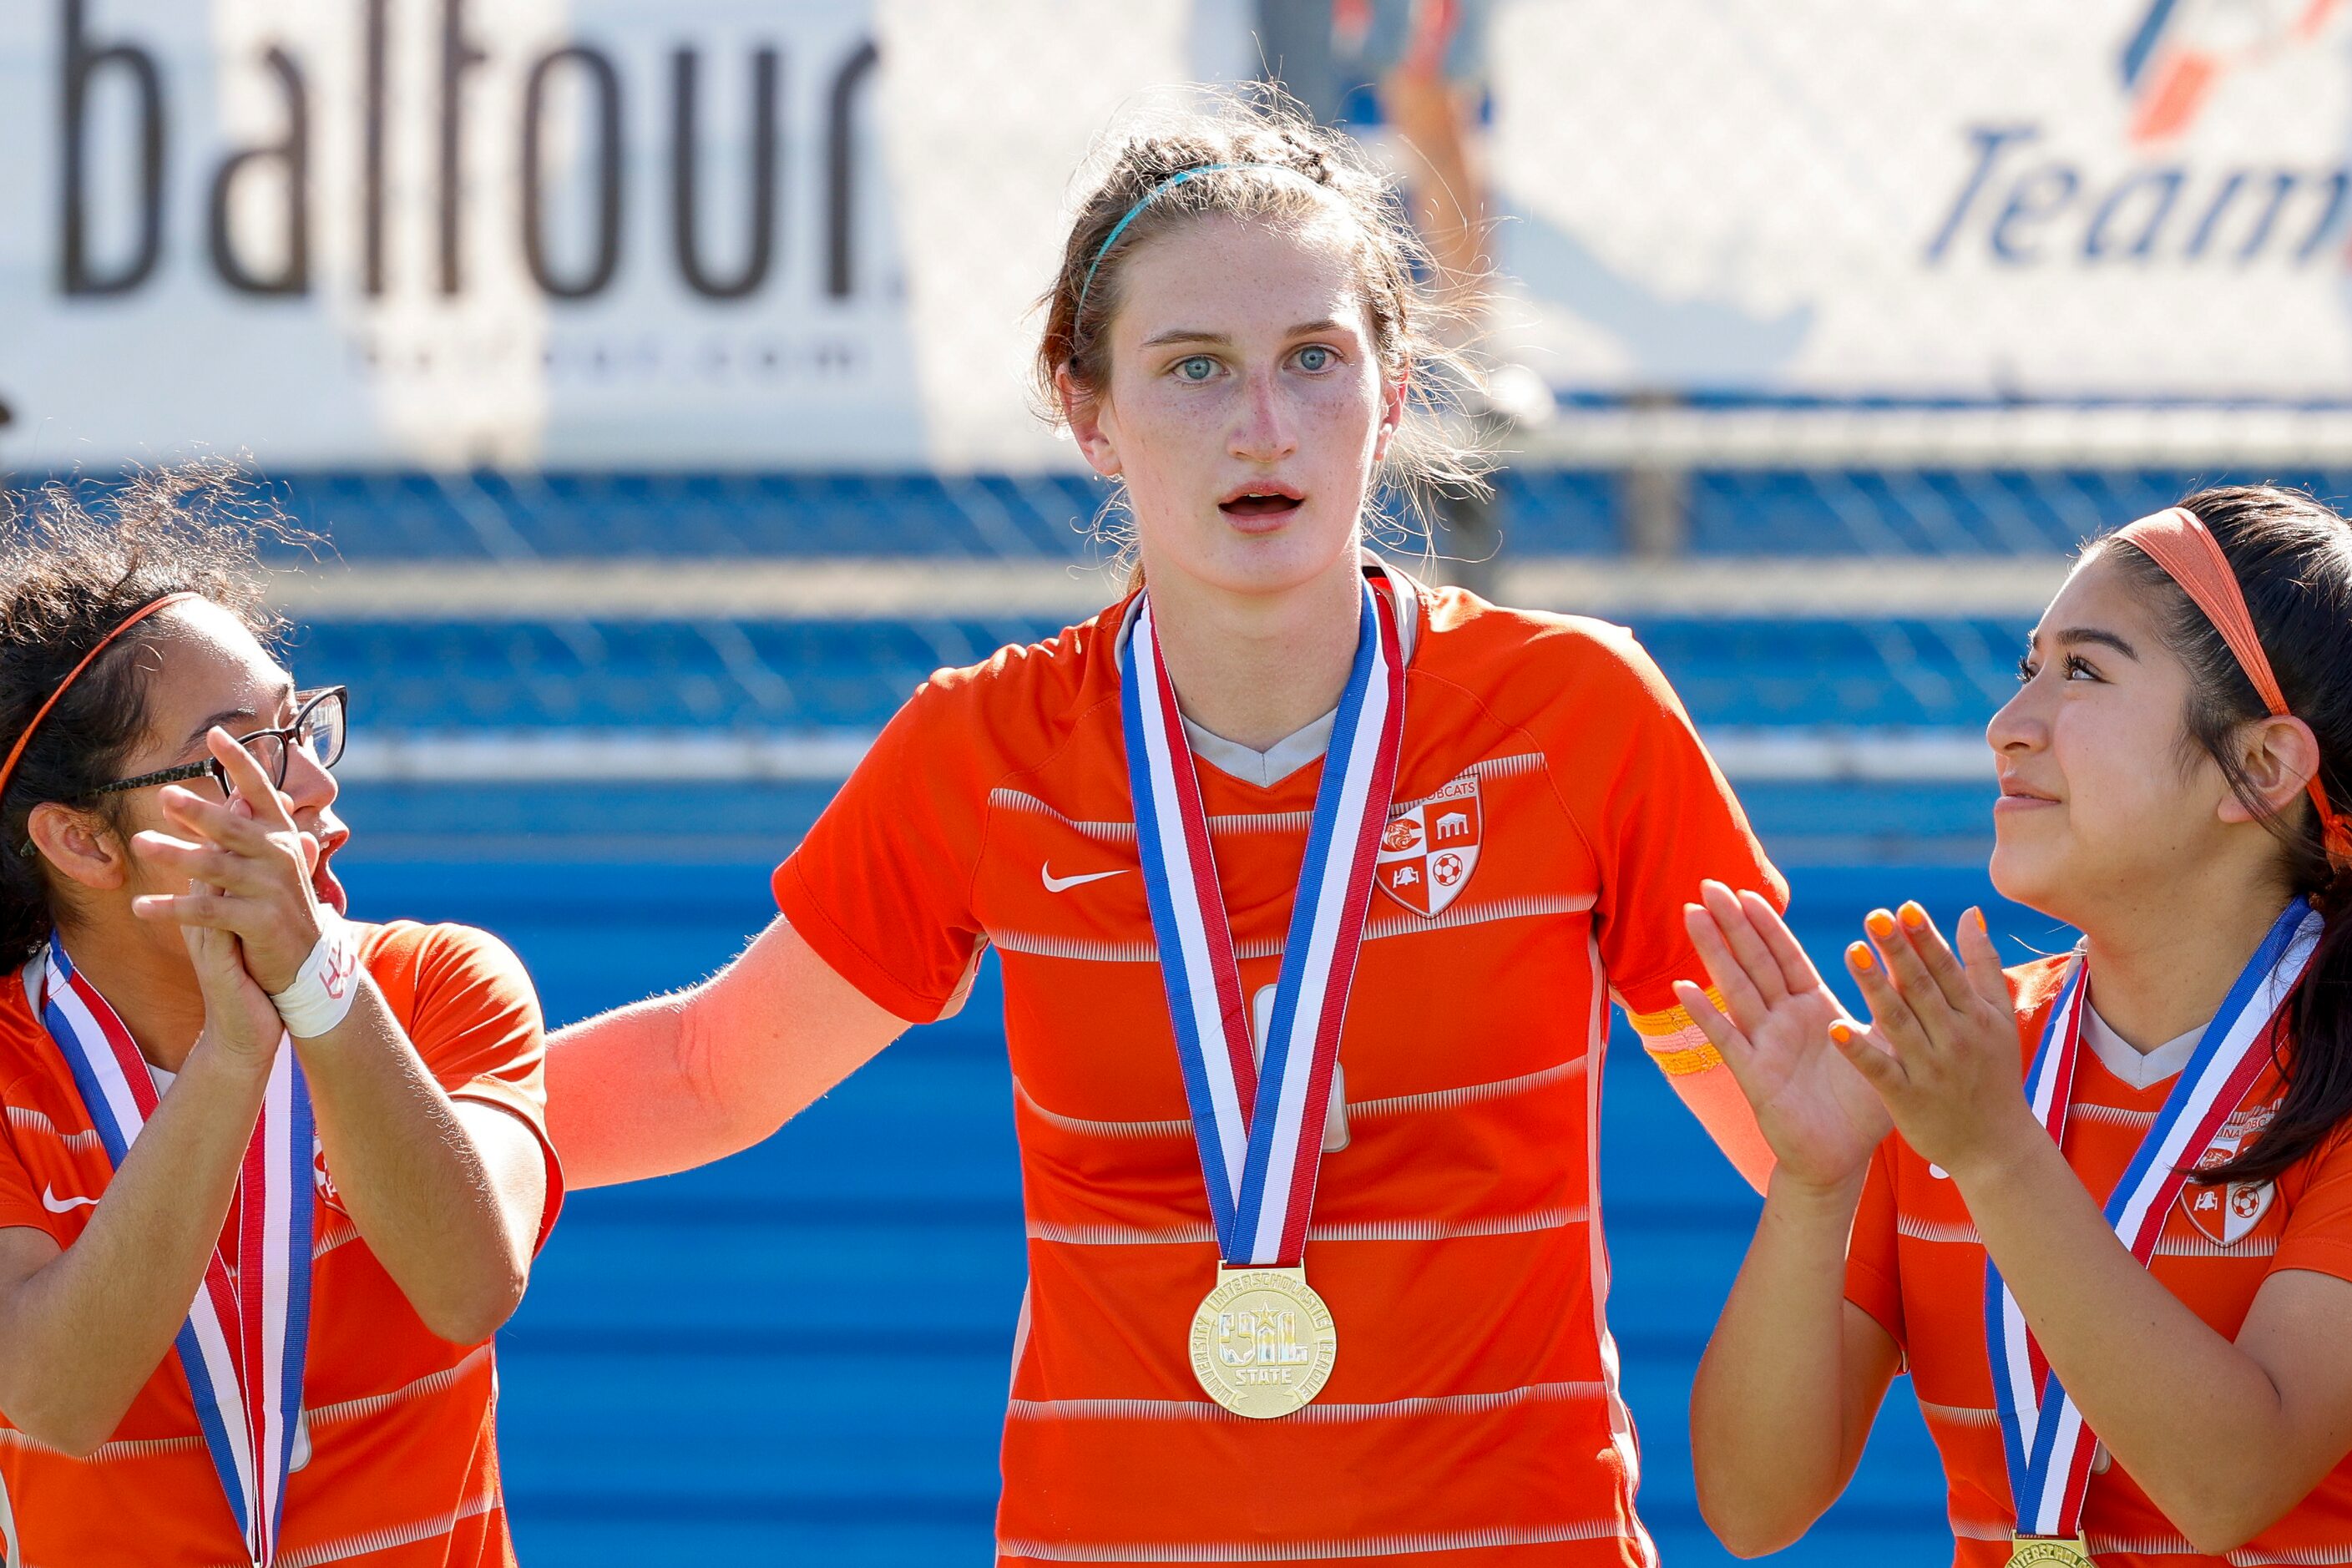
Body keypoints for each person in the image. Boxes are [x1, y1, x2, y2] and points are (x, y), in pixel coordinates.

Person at [548, 94, 1780, 1565]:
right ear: (1088, 411)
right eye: (1193, 368)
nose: (1263, 425)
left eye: (1312, 359)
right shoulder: (990, 751)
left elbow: (1803, 1141)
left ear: (1391, 391)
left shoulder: (1570, 714)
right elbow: (703, 1072)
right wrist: (330, 1118)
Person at [1681, 486, 2352, 1565]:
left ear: (2262, 766)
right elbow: (1752, 1506)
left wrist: (1994, 1151)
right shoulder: (1962, 1059)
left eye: (2081, 671)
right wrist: (1812, 1186)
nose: (2006, 726)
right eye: (2023, 669)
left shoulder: (1972, 1098)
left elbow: (2229, 1481)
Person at [0, 468, 560, 1565]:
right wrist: (227, 1061)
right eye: (242, 752)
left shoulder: (443, 981)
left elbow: (469, 1286)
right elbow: (57, 1397)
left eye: (298, 723)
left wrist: (311, 987)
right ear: (82, 842)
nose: (309, 782)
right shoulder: (14, 1067)